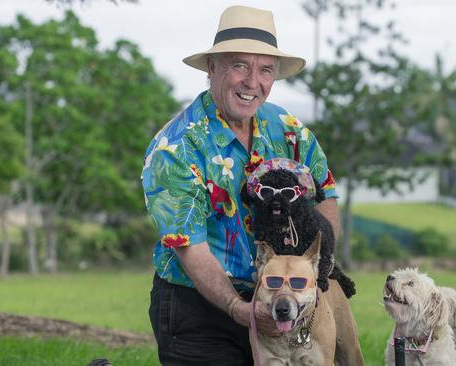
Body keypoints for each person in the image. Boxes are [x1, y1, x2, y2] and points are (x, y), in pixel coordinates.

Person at [141, 5, 340, 365]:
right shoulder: (174, 148)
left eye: (265, 69)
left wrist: (319, 270)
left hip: (285, 301)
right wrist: (239, 308)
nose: (253, 81)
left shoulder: (287, 127)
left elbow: (325, 192)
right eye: (239, 65)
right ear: (212, 68)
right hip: (201, 311)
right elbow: (190, 248)